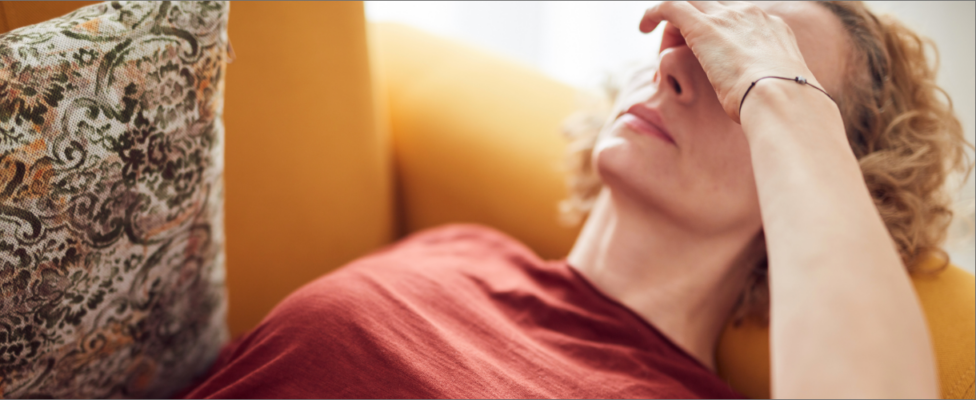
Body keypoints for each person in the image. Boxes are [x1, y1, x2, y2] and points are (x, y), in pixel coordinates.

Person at [178, 2, 972, 398]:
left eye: (742, 75)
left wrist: (782, 98)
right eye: (700, 36)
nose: (677, 68)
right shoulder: (464, 247)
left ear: (823, 167)